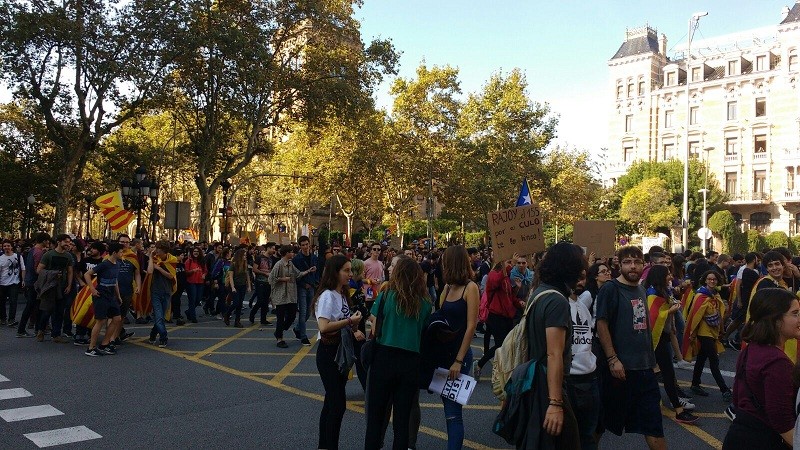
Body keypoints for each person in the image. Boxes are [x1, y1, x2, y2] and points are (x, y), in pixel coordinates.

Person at [596, 246, 664, 450]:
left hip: (645, 370)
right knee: (602, 424)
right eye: (627, 262)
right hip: (620, 372)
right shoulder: (611, 288)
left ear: (644, 265)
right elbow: (601, 323)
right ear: (619, 264)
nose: (632, 266)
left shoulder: (642, 289)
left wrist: (653, 363)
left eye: (636, 262)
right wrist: (612, 359)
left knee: (653, 425)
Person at [364, 256, 433, 450]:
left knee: (376, 417)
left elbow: (376, 326)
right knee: (402, 420)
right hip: (411, 361)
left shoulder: (387, 295)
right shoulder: (425, 302)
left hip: (385, 356)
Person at [522, 242, 583, 450]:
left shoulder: (539, 292)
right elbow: (554, 354)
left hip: (534, 382)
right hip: (547, 386)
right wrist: (555, 403)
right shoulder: (557, 301)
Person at [722, 288, 799, 449]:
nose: (799, 318)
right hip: (762, 441)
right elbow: (783, 423)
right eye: (795, 313)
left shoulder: (751, 349)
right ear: (776, 320)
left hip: (738, 436)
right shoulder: (777, 362)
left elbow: (737, 398)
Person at [314, 255, 364, 450]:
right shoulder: (327, 295)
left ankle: (323, 445)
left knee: (330, 403)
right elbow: (324, 326)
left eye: (351, 270)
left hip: (341, 352)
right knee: (337, 405)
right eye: (346, 270)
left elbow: (343, 319)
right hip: (329, 354)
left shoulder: (342, 294)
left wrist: (354, 328)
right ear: (335, 272)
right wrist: (350, 321)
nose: (350, 274)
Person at [436, 245, 479, 449]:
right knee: (448, 411)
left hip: (459, 356)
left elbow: (472, 326)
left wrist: (459, 360)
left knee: (454, 413)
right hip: (444, 355)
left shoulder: (470, 287)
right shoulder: (447, 287)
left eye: (445, 260)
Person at [644, 265, 698, 424]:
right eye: (667, 274)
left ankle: (675, 406)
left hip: (664, 336)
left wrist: (671, 318)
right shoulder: (652, 293)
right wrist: (670, 312)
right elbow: (653, 317)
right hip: (657, 338)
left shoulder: (663, 291)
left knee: (666, 374)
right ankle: (678, 409)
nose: (670, 276)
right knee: (665, 373)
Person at [567, 270, 602, 449]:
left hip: (590, 378)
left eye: (584, 277)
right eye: (577, 277)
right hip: (569, 379)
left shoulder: (582, 302)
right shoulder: (558, 303)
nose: (582, 281)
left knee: (587, 435)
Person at [473, 260, 520, 380]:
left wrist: (519, 300)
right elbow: (494, 283)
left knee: (508, 344)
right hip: (496, 315)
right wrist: (508, 267)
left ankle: (503, 370)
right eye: (509, 261)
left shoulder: (506, 277)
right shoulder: (494, 274)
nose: (512, 264)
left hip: (507, 316)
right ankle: (479, 364)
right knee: (500, 344)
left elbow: (509, 296)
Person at [83, 243, 125, 356]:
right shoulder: (105, 264)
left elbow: (115, 280)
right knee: (100, 320)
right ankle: (91, 347)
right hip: (101, 293)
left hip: (111, 295)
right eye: (121, 252)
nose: (122, 254)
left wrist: (118, 295)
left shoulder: (118, 264)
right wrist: (92, 289)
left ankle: (105, 344)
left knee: (117, 318)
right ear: (115, 252)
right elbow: (87, 274)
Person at [35, 234, 74, 343]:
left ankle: (56, 334)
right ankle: (40, 331)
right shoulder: (48, 255)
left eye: (69, 243)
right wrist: (52, 274)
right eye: (66, 242)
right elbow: (39, 270)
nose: (68, 244)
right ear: (59, 242)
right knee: (47, 310)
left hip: (62, 287)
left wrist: (69, 285)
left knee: (60, 312)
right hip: (50, 287)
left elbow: (70, 272)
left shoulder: (69, 256)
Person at [269, 245, 305, 348]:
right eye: (292, 252)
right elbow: (271, 279)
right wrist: (282, 279)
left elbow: (297, 274)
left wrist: (308, 271)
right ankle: (279, 339)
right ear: (286, 253)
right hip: (281, 295)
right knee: (280, 318)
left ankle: (278, 331)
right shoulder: (279, 265)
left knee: (292, 315)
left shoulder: (290, 264)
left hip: (291, 295)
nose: (293, 254)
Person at [16, 232, 50, 338]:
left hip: (30, 281)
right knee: (32, 306)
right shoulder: (39, 253)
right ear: (44, 241)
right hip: (35, 282)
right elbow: (37, 269)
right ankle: (23, 329)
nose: (48, 242)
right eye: (47, 240)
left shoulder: (32, 250)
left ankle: (36, 328)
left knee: (34, 306)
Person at [147, 241, 177, 348]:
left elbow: (171, 276)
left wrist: (159, 268)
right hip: (155, 291)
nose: (155, 250)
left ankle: (153, 334)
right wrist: (150, 257)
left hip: (167, 291)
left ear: (163, 250)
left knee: (161, 316)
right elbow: (150, 271)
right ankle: (163, 337)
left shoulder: (172, 260)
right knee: (159, 316)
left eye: (157, 248)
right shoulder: (154, 259)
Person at [292, 236, 319, 346]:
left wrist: (314, 282)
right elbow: (295, 275)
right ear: (300, 246)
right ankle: (303, 336)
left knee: (309, 312)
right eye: (303, 245)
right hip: (302, 287)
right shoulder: (296, 259)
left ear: (309, 244)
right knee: (303, 312)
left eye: (306, 244)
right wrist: (304, 284)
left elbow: (317, 272)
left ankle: (298, 328)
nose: (305, 247)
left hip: (311, 286)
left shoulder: (314, 257)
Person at [0, 240, 25, 327]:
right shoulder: (1, 258)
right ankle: (3, 318)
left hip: (14, 282)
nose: (6, 247)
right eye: (4, 246)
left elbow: (23, 268)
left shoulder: (18, 256)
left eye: (8, 246)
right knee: (1, 302)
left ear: (11, 247)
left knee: (13, 301)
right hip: (2, 283)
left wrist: (23, 280)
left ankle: (11, 319)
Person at [224, 248, 251, 328]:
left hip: (242, 285)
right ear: (240, 256)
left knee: (240, 304)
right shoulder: (234, 264)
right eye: (244, 255)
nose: (245, 257)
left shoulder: (245, 264)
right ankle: (227, 314)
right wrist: (232, 287)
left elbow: (247, 276)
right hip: (235, 285)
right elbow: (231, 277)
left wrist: (249, 286)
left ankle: (237, 321)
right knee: (236, 303)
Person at [184, 247, 206, 323]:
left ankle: (189, 312)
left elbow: (205, 270)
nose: (196, 253)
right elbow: (186, 272)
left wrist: (204, 274)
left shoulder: (202, 261)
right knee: (192, 300)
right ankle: (193, 317)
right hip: (191, 282)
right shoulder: (188, 261)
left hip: (200, 282)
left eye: (197, 251)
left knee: (198, 299)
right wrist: (193, 271)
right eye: (194, 251)